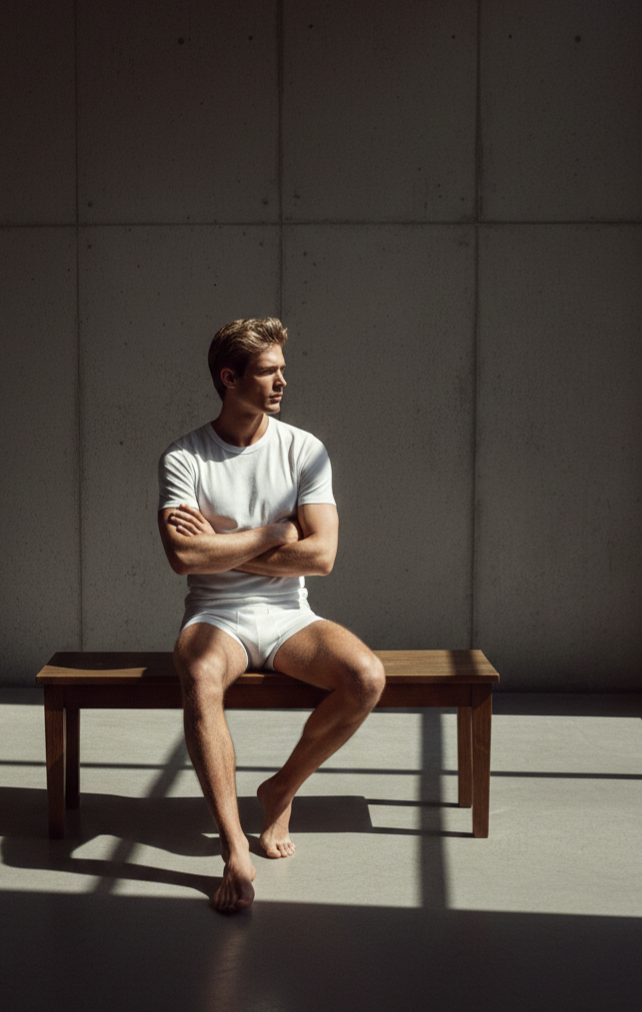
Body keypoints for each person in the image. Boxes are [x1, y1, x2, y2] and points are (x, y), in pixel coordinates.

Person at [157, 317, 385, 911]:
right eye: (268, 370)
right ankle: (233, 847)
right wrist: (275, 532)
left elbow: (323, 556)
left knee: (367, 677)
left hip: (289, 616)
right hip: (216, 616)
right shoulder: (185, 457)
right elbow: (183, 557)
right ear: (230, 378)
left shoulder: (304, 449)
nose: (283, 380)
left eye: (282, 368)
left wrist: (228, 543)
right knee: (201, 676)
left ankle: (281, 788)